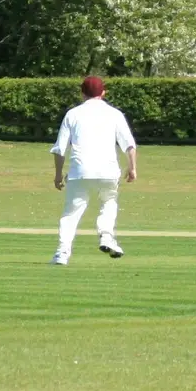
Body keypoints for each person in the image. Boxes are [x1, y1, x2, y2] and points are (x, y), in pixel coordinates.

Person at [49, 76, 137, 265]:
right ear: (103, 93)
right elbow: (129, 145)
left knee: (71, 213)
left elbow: (60, 148)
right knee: (109, 202)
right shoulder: (114, 114)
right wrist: (132, 169)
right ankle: (106, 235)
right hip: (108, 171)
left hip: (79, 171)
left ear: (82, 93)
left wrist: (58, 175)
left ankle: (62, 253)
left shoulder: (72, 114)